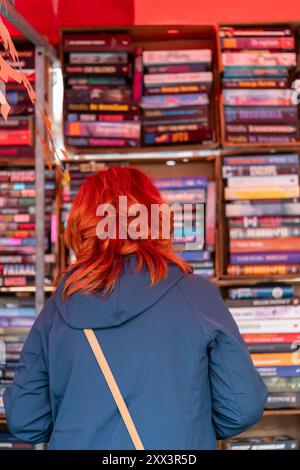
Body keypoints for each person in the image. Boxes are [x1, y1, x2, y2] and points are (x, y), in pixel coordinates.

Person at [4, 167, 267, 450]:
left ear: (82, 224)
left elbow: (26, 421)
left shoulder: (56, 311)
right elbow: (242, 408)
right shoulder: (197, 297)